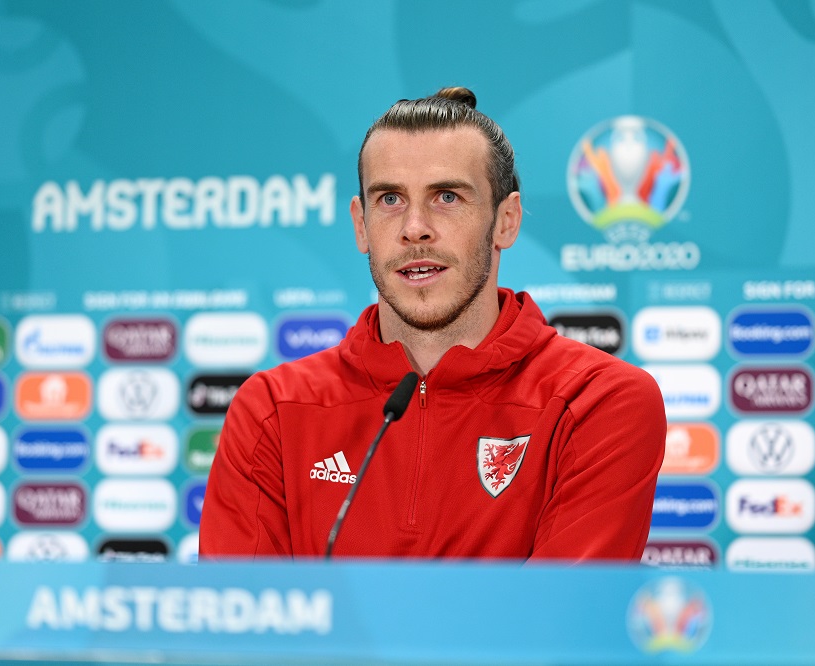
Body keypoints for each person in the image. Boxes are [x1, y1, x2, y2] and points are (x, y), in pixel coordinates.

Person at [199, 87, 666, 561]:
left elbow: (558, 625)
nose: (415, 227)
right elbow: (245, 622)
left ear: (506, 220)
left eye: (446, 196)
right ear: (360, 225)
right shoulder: (272, 410)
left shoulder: (599, 401)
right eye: (390, 199)